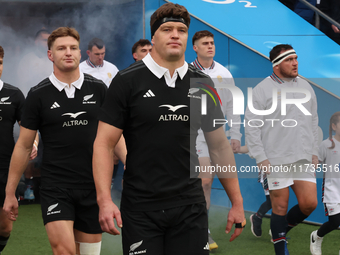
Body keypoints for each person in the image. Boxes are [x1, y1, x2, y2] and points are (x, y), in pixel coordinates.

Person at [93, 3, 245, 255]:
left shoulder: (202, 83)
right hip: (141, 208)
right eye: (167, 29)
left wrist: (237, 201)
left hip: (190, 206)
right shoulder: (127, 80)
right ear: (154, 37)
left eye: (181, 30)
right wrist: (104, 200)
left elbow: (219, 146)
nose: (175, 34)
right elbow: (103, 143)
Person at [3, 27, 122, 255]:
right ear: (50, 55)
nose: (68, 53)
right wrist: (10, 193)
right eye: (61, 48)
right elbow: (24, 146)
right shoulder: (38, 95)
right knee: (65, 251)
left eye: (73, 48)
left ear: (80, 53)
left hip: (93, 185)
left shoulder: (99, 89)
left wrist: (134, 166)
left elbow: (115, 137)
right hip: (56, 187)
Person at [245, 44, 319, 255]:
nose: (295, 63)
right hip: (275, 159)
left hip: (302, 158)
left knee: (309, 204)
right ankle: (281, 248)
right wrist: (261, 158)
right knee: (279, 206)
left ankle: (280, 232)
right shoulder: (262, 89)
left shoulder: (306, 86)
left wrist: (313, 151)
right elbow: (252, 126)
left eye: (296, 58)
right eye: (289, 60)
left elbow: (313, 121)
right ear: (277, 65)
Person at [191, 30, 242, 250]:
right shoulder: (186, 71)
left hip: (217, 135)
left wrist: (236, 134)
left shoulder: (224, 73)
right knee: (202, 182)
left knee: (207, 184)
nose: (210, 46)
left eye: (212, 43)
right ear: (195, 47)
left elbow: (232, 106)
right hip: (194, 136)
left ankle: (203, 230)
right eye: (205, 43)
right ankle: (198, 229)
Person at [0, 45, 37, 253]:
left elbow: (30, 127)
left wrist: (34, 143)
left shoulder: (13, 94)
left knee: (5, 227)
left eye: (0, 63)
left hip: (5, 168)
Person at [310, 112, 340, 255]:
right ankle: (316, 236)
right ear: (334, 126)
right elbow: (316, 161)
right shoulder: (326, 144)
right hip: (332, 190)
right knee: (335, 222)